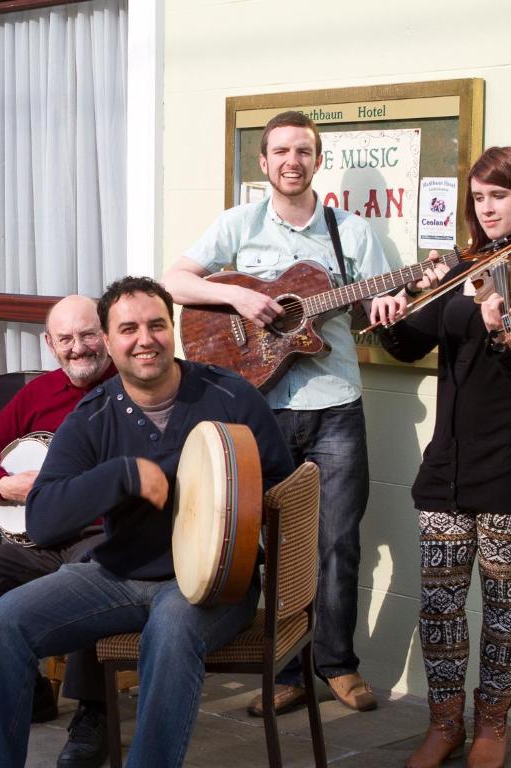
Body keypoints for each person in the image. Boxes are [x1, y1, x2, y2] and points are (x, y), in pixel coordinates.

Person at [0, 277, 294, 768]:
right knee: (6, 621)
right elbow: (46, 519)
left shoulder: (231, 397)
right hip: (116, 574)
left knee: (172, 629)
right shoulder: (94, 415)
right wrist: (121, 475)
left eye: (156, 325)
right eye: (129, 328)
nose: (145, 339)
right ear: (111, 342)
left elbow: (282, 485)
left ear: (172, 330)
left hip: (211, 584)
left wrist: (237, 523)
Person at [163, 110, 387, 714]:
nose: (293, 161)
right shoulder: (239, 224)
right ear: (264, 164)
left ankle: (336, 664)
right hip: (257, 406)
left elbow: (378, 307)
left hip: (335, 405)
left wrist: (388, 303)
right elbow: (175, 282)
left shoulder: (353, 233)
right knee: (263, 542)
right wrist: (236, 293)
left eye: (304, 151)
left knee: (337, 539)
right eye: (281, 151)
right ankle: (285, 670)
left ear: (318, 161)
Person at [369, 146, 511, 768]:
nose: (486, 209)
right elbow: (410, 347)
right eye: (478, 198)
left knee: (504, 600)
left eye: (498, 196)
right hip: (449, 461)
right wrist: (391, 315)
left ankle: (493, 727)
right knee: (440, 602)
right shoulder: (465, 269)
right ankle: (443, 722)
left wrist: (501, 322)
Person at [0, 294, 116, 768]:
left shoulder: (129, 388)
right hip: (40, 539)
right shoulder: (38, 395)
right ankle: (27, 691)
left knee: (92, 567)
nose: (78, 348)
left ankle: (94, 713)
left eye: (87, 335)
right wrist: (5, 484)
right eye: (66, 339)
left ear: (105, 334)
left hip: (98, 535)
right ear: (50, 344)